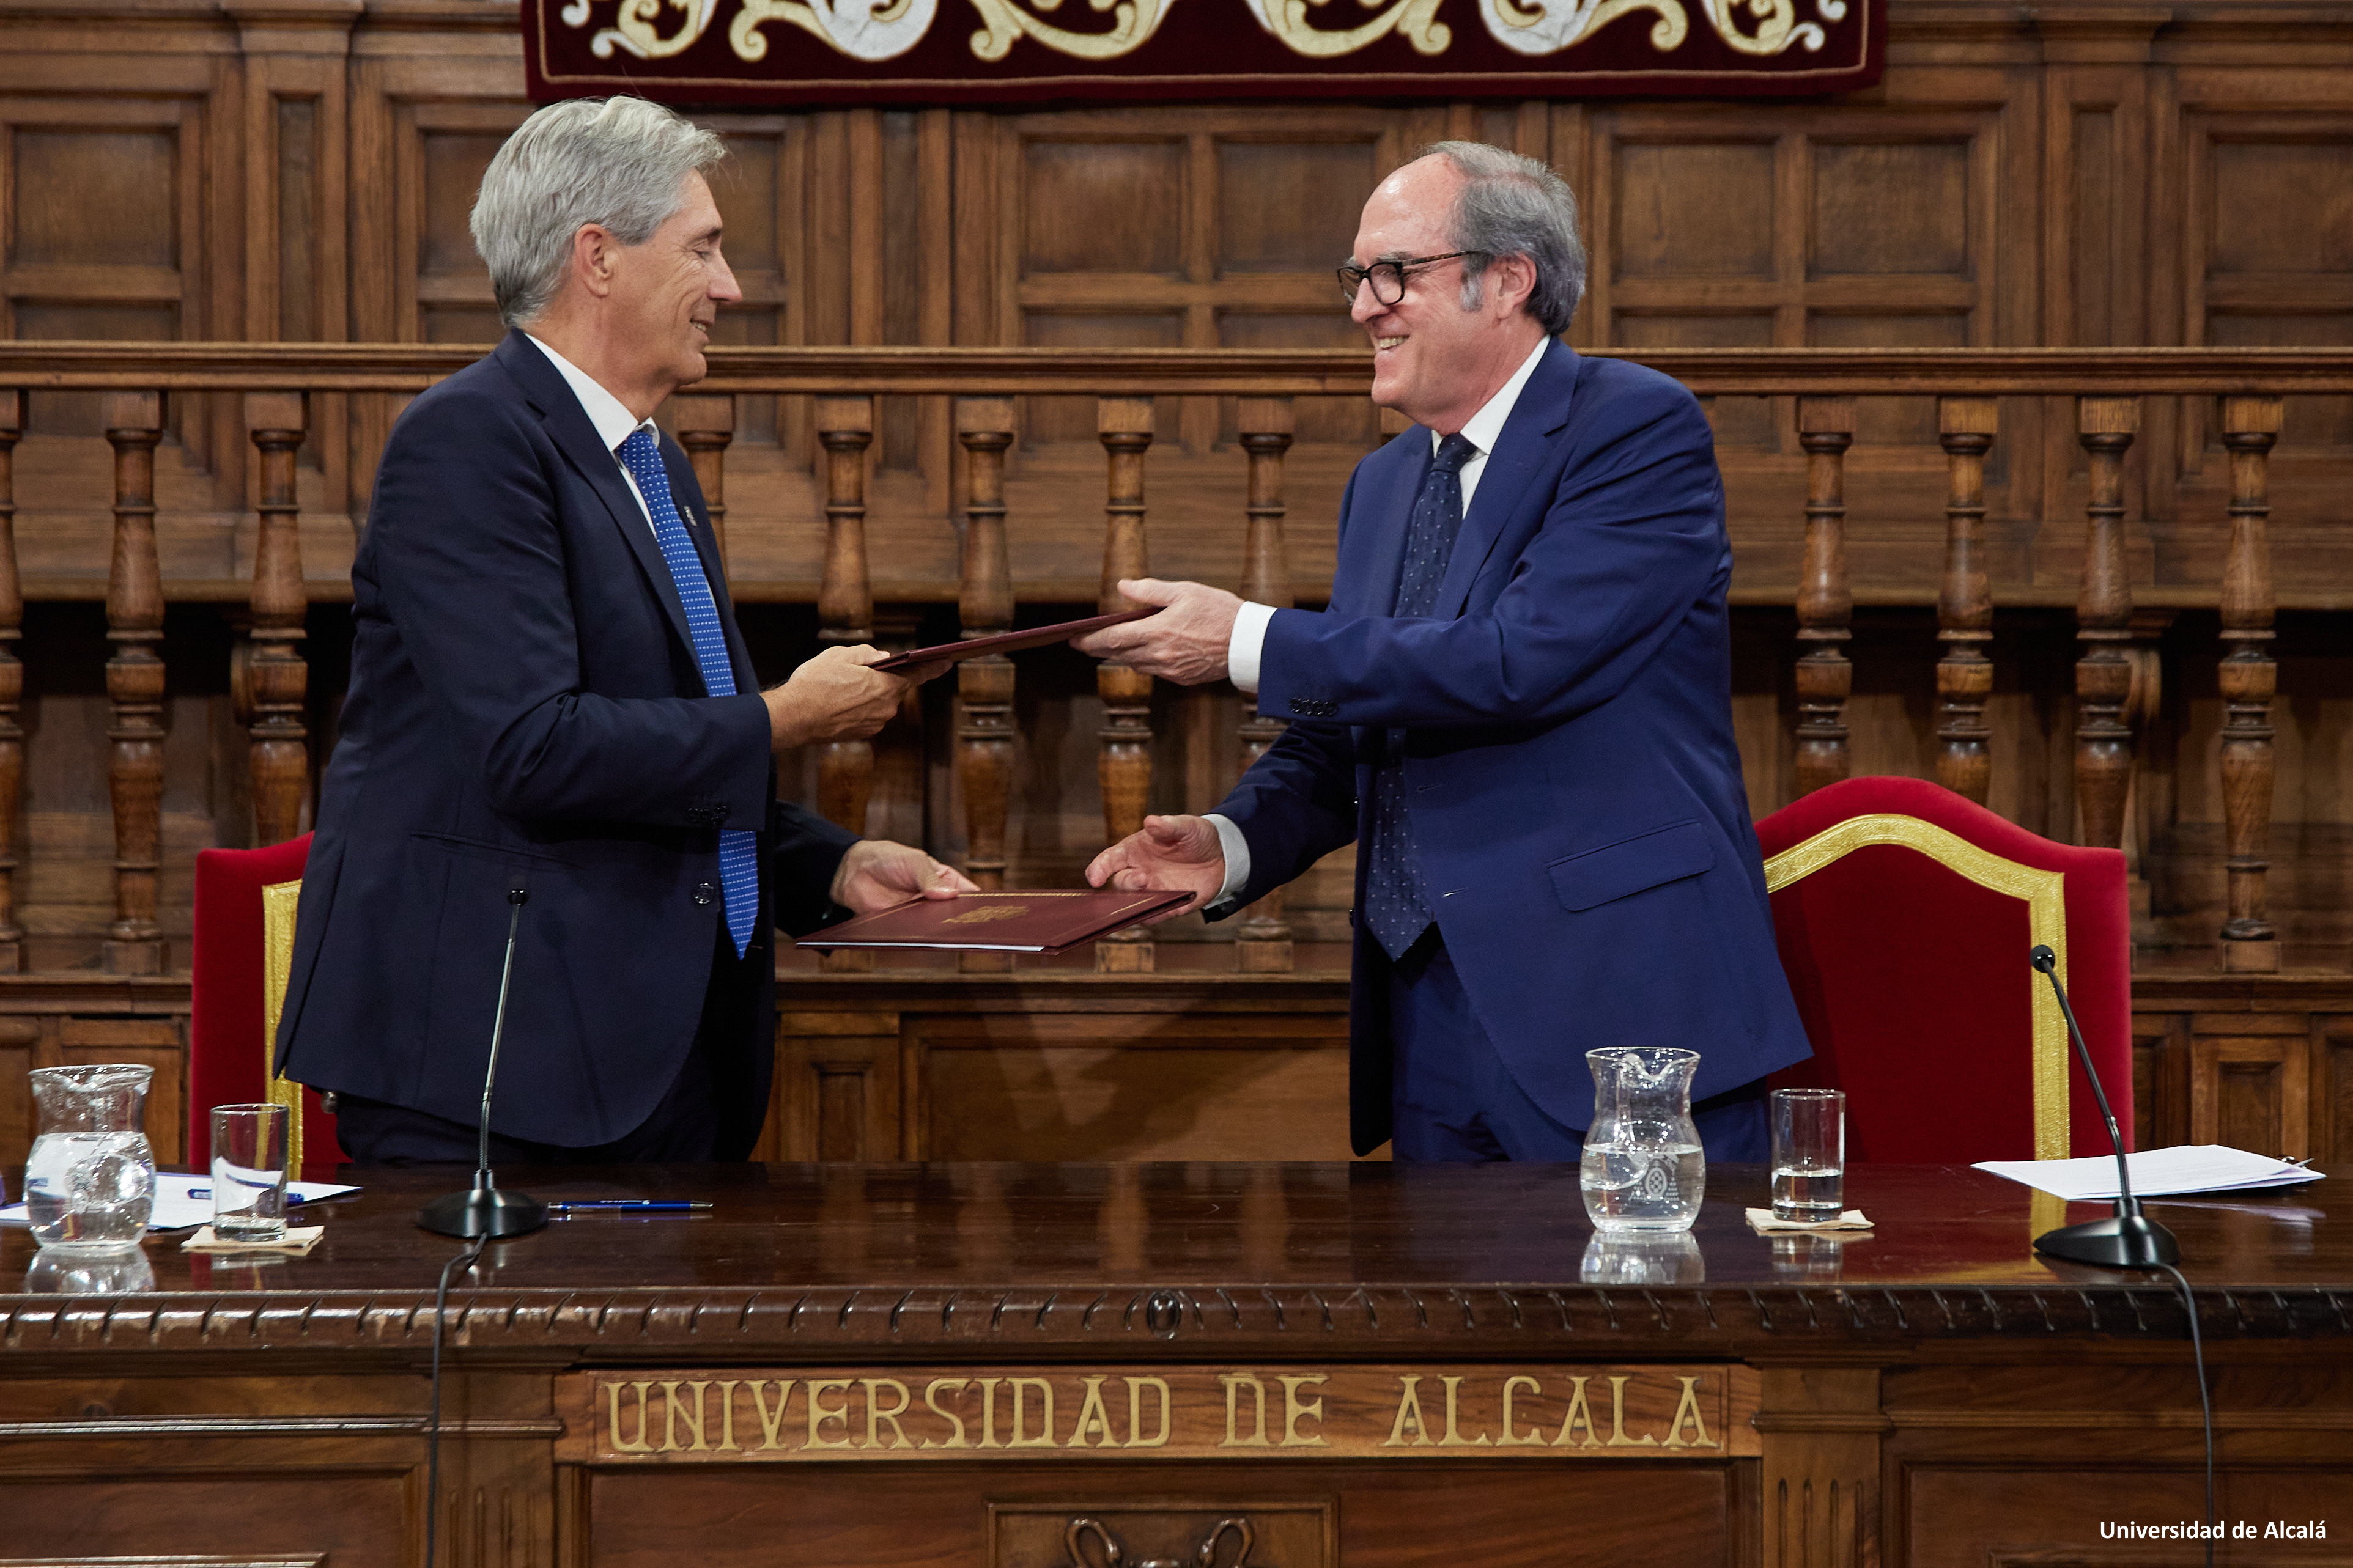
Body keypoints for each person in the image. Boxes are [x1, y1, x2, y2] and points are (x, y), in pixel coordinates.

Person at [1076, 142, 1811, 1163]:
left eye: (1394, 274)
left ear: (1507, 279)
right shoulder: (1379, 487)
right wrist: (1233, 839)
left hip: (1613, 1000)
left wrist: (1247, 637)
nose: (1363, 307)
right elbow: (1353, 725)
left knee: (1649, 1323)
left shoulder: (1634, 426)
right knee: (1448, 1326)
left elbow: (1517, 661)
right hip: (1426, 1012)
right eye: (1357, 278)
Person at [274, 97, 971, 1165]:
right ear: (597, 257)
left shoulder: (653, 465)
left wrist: (827, 868)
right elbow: (535, 747)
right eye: (704, 248)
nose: (730, 288)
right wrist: (789, 714)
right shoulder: (467, 440)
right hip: (500, 1070)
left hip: (655, 1057)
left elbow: (657, 749)